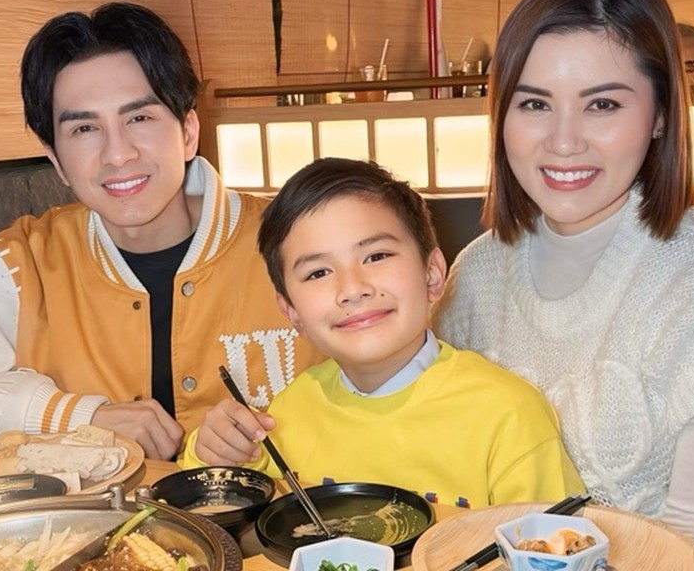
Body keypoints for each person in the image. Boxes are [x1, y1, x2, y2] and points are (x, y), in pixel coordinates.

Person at [0, 3, 321, 459]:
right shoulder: (25, 263)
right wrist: (76, 416)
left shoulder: (298, 236)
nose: (118, 154)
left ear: (188, 132)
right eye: (84, 129)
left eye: (139, 118)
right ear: (56, 160)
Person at [437, 0, 694, 550]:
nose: (563, 141)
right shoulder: (474, 275)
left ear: (660, 115)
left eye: (601, 105)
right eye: (534, 104)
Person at [181, 158, 584, 507]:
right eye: (318, 272)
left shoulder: (509, 415)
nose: (352, 288)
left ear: (432, 275)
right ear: (291, 312)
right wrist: (213, 450)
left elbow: (560, 547)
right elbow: (218, 497)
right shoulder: (289, 411)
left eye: (376, 256)